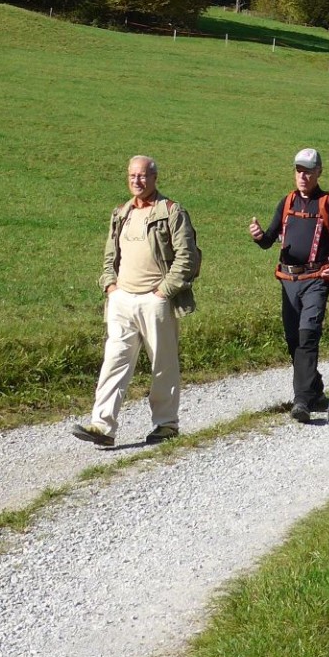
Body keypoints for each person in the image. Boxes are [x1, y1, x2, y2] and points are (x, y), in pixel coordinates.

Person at [72, 156, 200, 448]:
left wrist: (163, 292)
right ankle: (102, 426)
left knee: (163, 365)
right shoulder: (121, 212)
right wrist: (111, 286)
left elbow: (187, 257)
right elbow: (109, 256)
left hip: (156, 301)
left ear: (154, 178)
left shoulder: (171, 211)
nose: (137, 181)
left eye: (142, 176)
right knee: (114, 361)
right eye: (132, 176)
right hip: (121, 301)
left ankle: (166, 425)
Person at [249, 148, 329, 422]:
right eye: (299, 170)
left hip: (316, 279)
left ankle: (301, 401)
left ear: (318, 172)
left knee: (308, 334)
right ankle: (314, 386)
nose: (302, 175)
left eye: (308, 171)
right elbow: (269, 239)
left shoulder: (328, 203)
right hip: (288, 280)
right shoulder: (287, 202)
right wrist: (259, 236)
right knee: (293, 339)